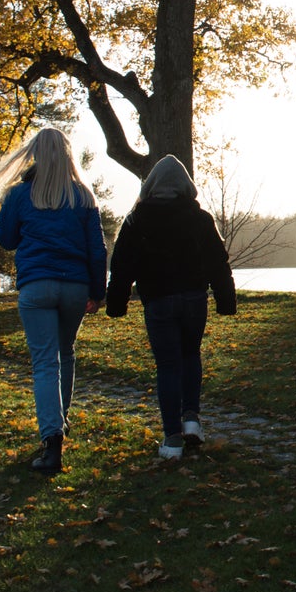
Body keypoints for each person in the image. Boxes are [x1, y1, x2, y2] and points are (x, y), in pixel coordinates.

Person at [0, 128, 107, 476]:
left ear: (35, 154)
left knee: (45, 363)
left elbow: (6, 240)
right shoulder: (83, 196)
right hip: (74, 286)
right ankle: (61, 422)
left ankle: (51, 440)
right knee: (65, 352)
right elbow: (96, 250)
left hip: (36, 285)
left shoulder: (21, 194)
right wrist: (96, 292)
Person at [105, 155, 237, 460]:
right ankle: (191, 419)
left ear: (152, 185)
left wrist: (116, 304)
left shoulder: (137, 219)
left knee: (167, 365)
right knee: (191, 355)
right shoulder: (200, 218)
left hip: (158, 301)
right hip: (194, 299)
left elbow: (122, 265)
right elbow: (219, 262)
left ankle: (172, 439)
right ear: (185, 186)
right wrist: (226, 300)